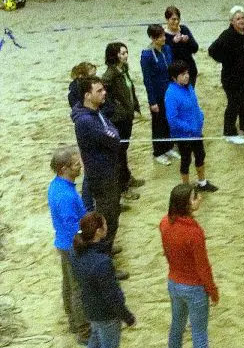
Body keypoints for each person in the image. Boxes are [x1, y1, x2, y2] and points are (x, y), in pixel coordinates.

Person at [160, 184, 230, 348]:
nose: (199, 198)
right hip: (194, 288)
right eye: (194, 197)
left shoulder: (164, 223)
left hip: (174, 282)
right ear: (186, 204)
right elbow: (203, 267)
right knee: (199, 334)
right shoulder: (194, 232)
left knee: (177, 325)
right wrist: (213, 291)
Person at [71, 76, 129, 280]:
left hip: (109, 172)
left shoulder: (96, 113)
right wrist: (112, 134)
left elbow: (113, 131)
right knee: (105, 221)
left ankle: (108, 248)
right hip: (101, 177)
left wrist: (112, 134)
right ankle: (105, 264)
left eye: (103, 89)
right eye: (99, 91)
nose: (104, 93)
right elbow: (113, 138)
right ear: (87, 95)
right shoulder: (86, 121)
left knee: (113, 216)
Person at [70, 211, 136, 348]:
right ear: (98, 231)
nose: (107, 227)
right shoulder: (102, 262)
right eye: (105, 225)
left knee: (95, 341)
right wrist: (128, 317)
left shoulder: (75, 251)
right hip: (106, 314)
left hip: (89, 308)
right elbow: (112, 296)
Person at [47, 146, 90, 345]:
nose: (80, 166)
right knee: (79, 289)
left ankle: (72, 320)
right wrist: (87, 240)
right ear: (63, 168)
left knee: (68, 283)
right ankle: (84, 330)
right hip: (73, 245)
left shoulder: (56, 185)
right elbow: (72, 226)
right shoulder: (66, 196)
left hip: (63, 243)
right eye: (75, 164)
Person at [208, 5, 244, 145]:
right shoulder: (227, 35)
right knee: (234, 103)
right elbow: (212, 50)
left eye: (243, 17)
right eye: (238, 19)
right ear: (232, 21)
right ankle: (229, 132)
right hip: (232, 78)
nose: (241, 20)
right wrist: (226, 59)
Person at [165, 60, 219, 193]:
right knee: (186, 160)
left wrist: (200, 117)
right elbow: (172, 120)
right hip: (184, 136)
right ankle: (186, 189)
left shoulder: (189, 87)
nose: (187, 76)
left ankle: (202, 182)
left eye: (187, 73)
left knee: (200, 155)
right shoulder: (171, 94)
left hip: (196, 132)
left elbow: (195, 105)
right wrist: (189, 128)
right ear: (174, 77)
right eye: (183, 74)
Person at [102, 42, 145, 201]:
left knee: (124, 149)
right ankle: (122, 188)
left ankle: (127, 177)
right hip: (119, 119)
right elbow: (104, 98)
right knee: (119, 153)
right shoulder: (109, 75)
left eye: (126, 52)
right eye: (122, 53)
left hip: (127, 116)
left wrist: (135, 107)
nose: (126, 55)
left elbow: (130, 89)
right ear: (114, 56)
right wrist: (116, 110)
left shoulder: (123, 69)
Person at [141, 24, 180, 165]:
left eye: (164, 35)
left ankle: (168, 147)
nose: (164, 38)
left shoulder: (167, 49)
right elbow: (147, 80)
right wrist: (152, 101)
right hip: (157, 95)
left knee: (168, 119)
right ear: (153, 38)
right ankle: (158, 152)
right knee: (158, 123)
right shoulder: (147, 55)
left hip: (170, 92)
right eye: (160, 37)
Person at [67, 61, 97, 212]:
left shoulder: (82, 88)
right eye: (92, 74)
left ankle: (90, 203)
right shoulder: (76, 91)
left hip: (90, 128)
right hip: (86, 133)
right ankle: (88, 205)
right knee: (89, 171)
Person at [164, 6, 200, 88]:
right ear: (167, 19)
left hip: (189, 70)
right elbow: (166, 55)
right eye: (173, 19)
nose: (176, 22)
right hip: (175, 74)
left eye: (178, 19)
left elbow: (195, 48)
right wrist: (173, 42)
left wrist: (188, 41)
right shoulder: (163, 35)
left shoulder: (184, 29)